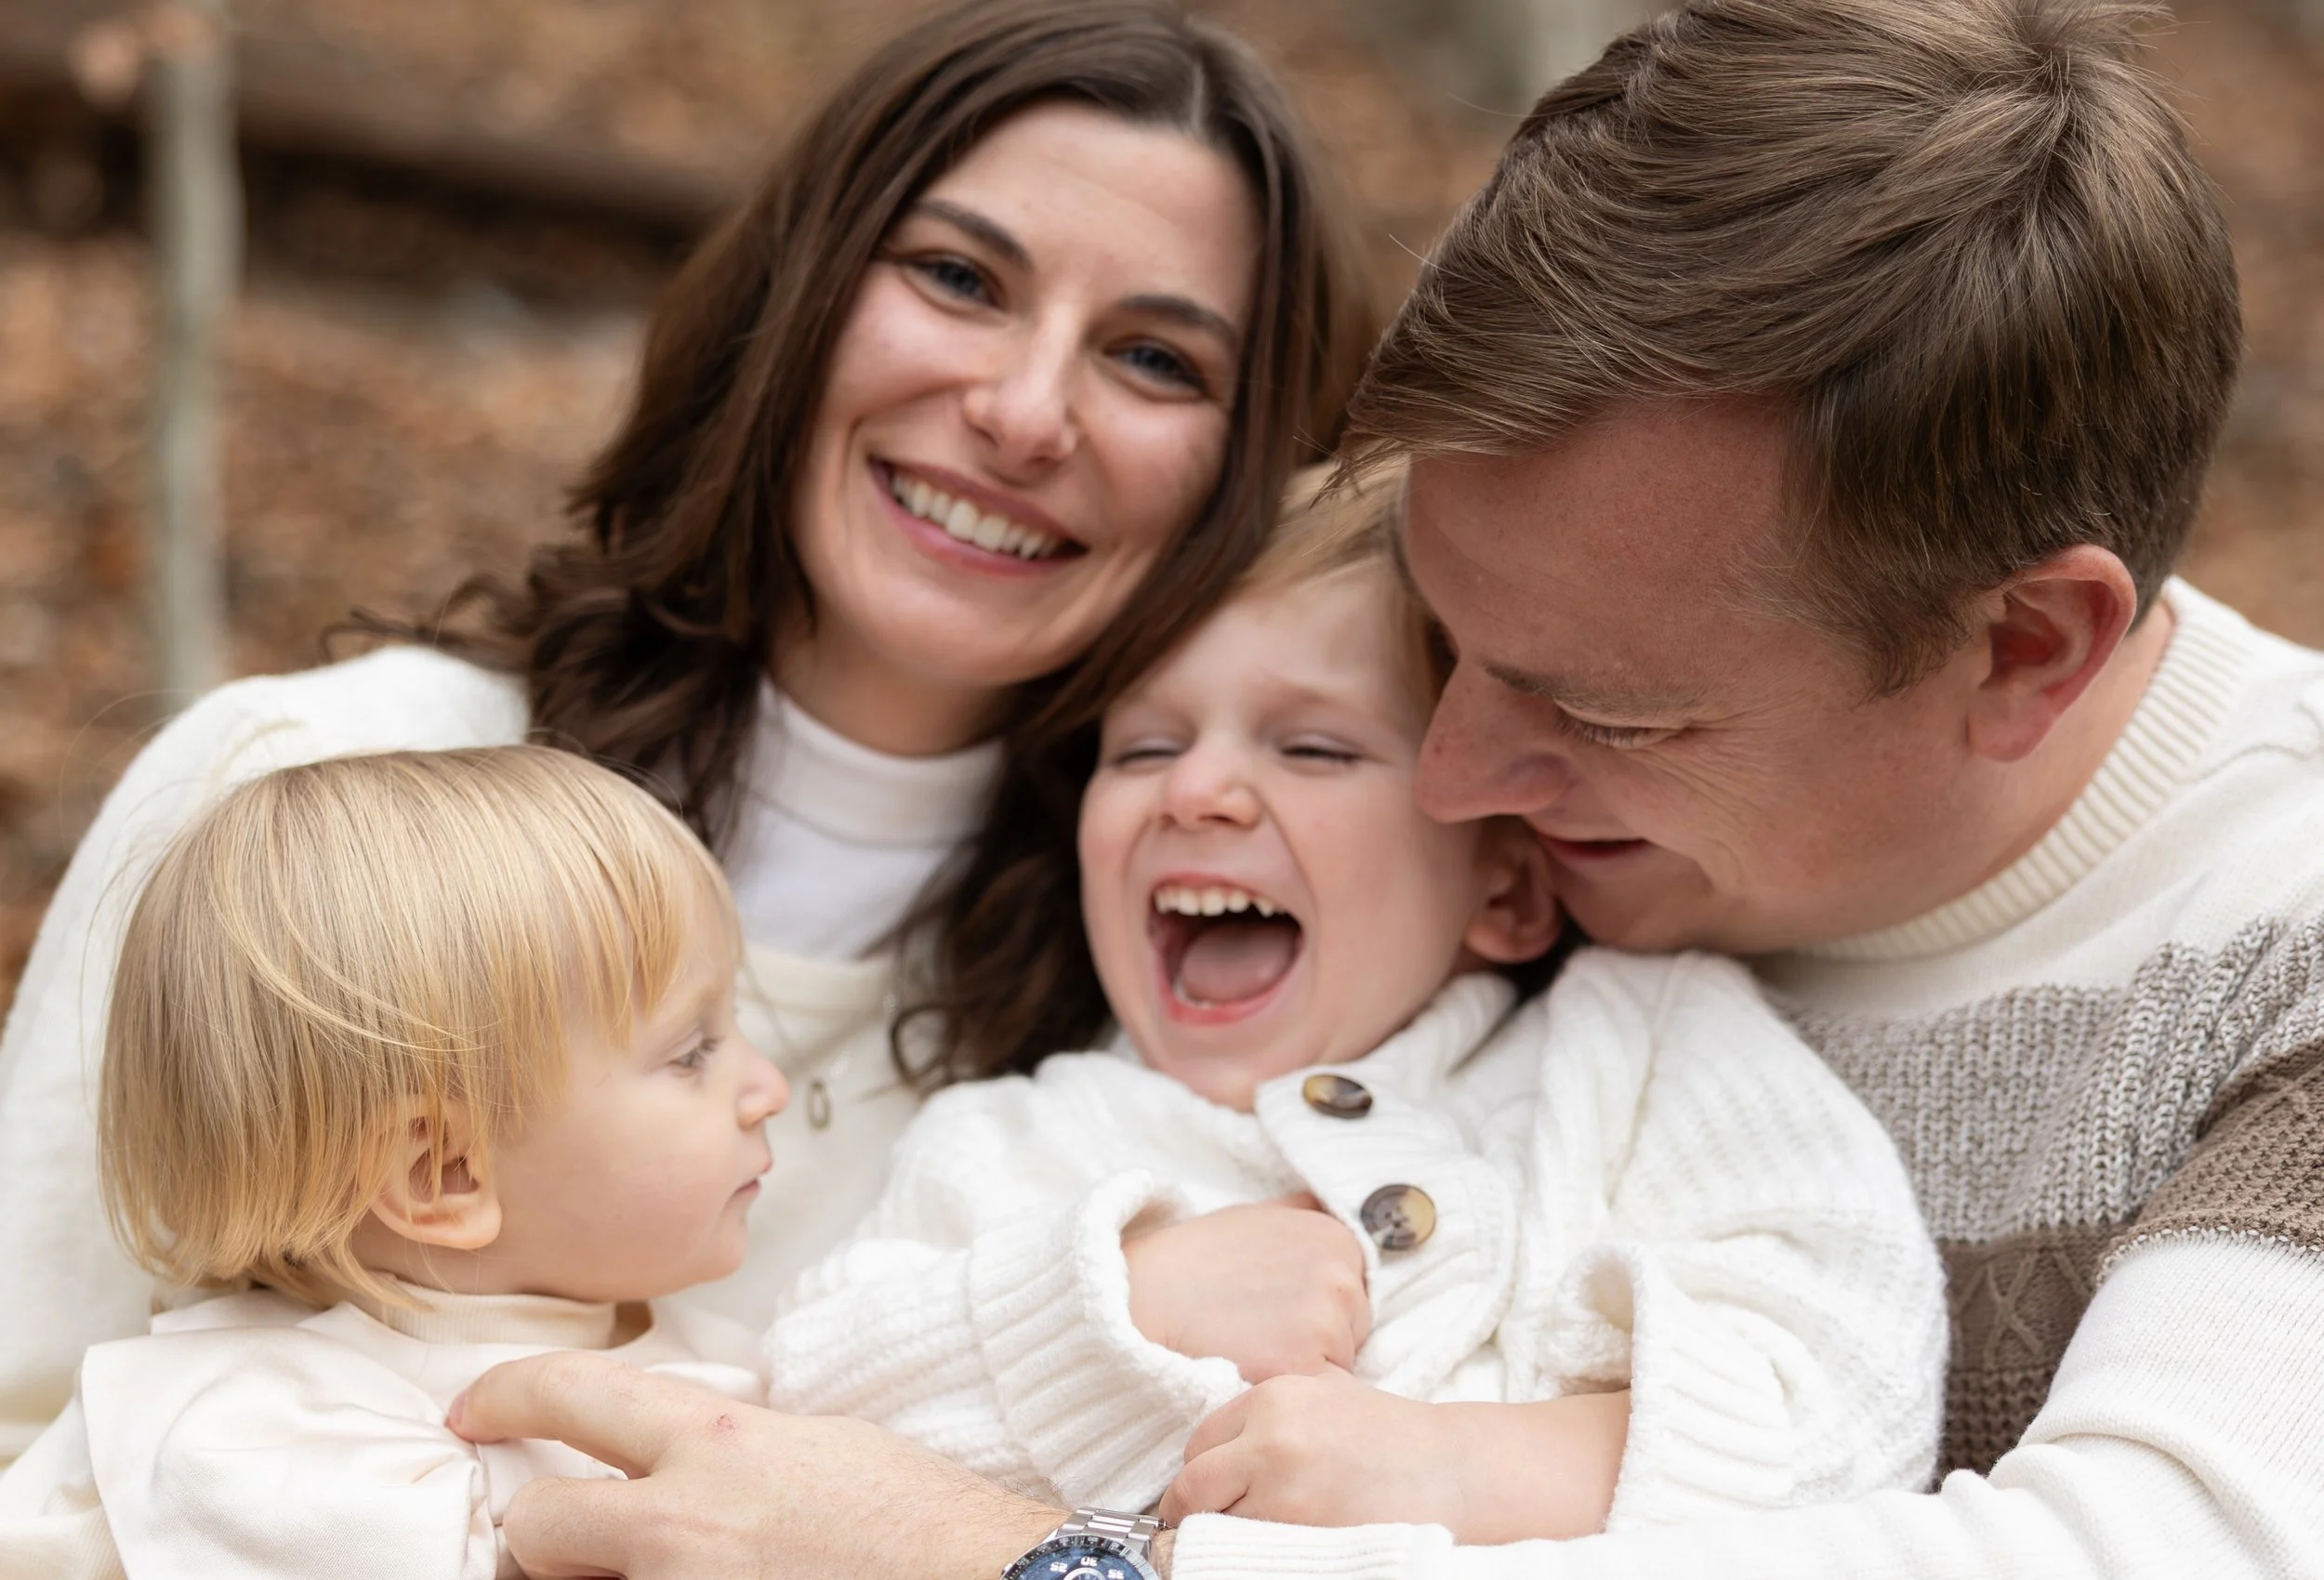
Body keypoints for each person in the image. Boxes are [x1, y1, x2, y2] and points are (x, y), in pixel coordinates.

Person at [442, 1, 2324, 1577]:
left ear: (2023, 650)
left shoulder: (2280, 937)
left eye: (1601, 707)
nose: (1454, 777)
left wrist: (1031, 1563)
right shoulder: (1317, 950)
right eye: (1442, 635)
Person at [0, 0, 1373, 1468]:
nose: (1028, 413)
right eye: (961, 278)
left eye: (1157, 360)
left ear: (1252, 469)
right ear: (800, 289)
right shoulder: (300, 794)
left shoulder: (1187, 1000)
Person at [764, 468, 1946, 1542]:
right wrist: (1119, 1308)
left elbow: (1858, 1381)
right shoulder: (1007, 1144)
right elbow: (803, 1407)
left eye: (1316, 748)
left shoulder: (1644, 1052)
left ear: (1509, 884)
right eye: (1142, 747)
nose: (1200, 787)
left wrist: (1463, 1468)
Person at [0, 748, 786, 1579]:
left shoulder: (751, 1368)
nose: (767, 1087)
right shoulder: (235, 1443)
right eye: (693, 1052)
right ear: (441, 1175)